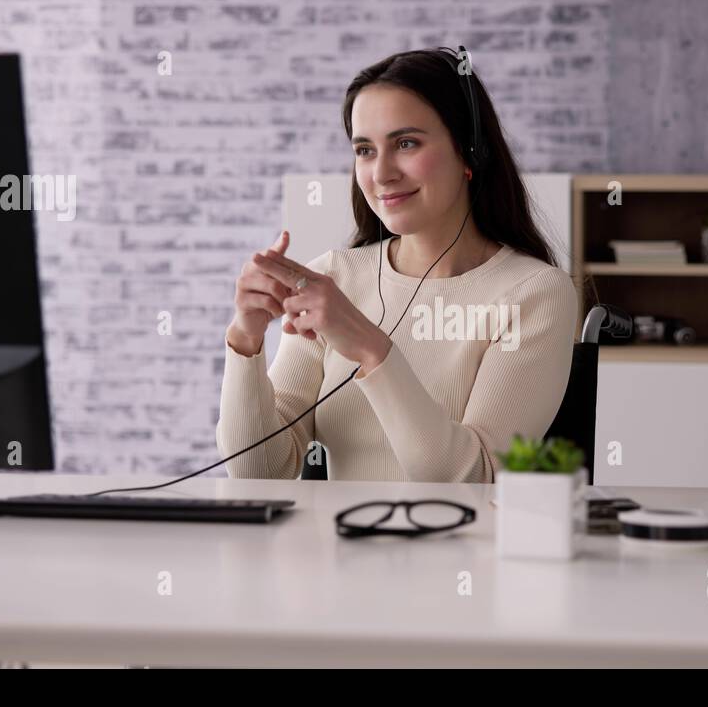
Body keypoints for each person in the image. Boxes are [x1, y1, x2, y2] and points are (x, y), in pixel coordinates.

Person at [216, 47, 577, 482]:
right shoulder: (335, 278)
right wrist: (246, 339)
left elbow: (472, 479)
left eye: (406, 143)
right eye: (365, 150)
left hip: (461, 550)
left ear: (470, 153)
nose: (381, 173)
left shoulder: (535, 293)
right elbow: (259, 472)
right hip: (342, 547)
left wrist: (371, 348)